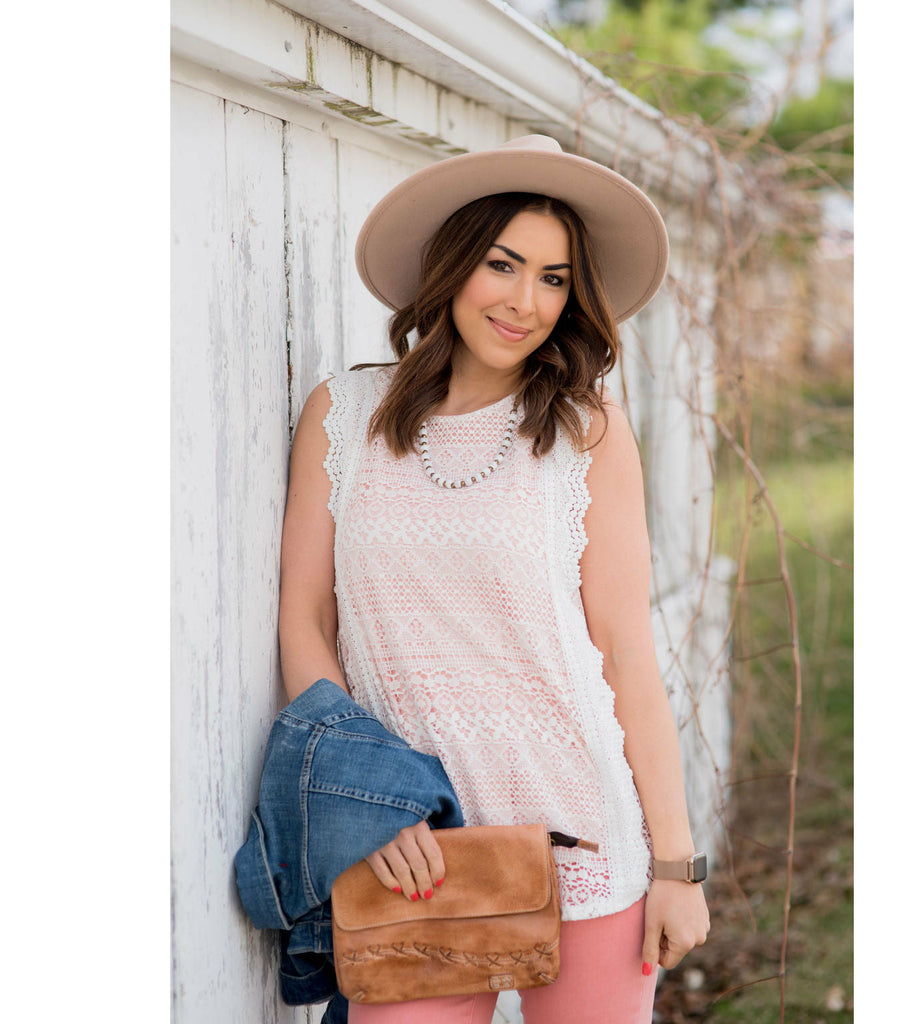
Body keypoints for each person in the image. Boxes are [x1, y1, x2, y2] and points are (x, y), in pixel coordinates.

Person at [277, 135, 710, 1023]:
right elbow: (304, 620)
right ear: (450, 268)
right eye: (502, 265)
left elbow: (627, 656)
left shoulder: (587, 431)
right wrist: (369, 804)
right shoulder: (344, 414)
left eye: (554, 278)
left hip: (584, 835)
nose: (525, 301)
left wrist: (675, 867)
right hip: (417, 845)